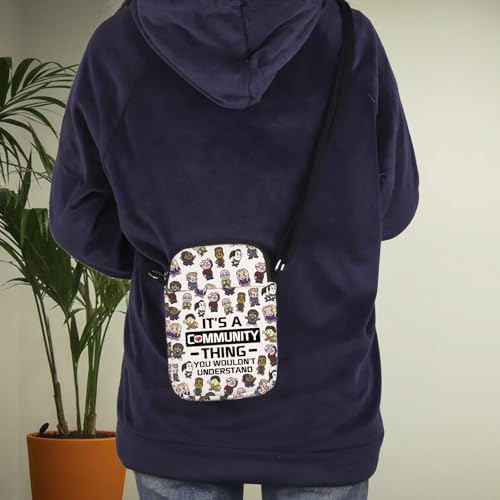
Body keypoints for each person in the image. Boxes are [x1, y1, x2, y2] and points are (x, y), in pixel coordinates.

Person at [48, 0, 419, 498]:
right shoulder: (349, 37)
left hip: (174, 406)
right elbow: (394, 205)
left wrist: (179, 267)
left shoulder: (117, 45)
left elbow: (77, 217)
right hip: (324, 401)